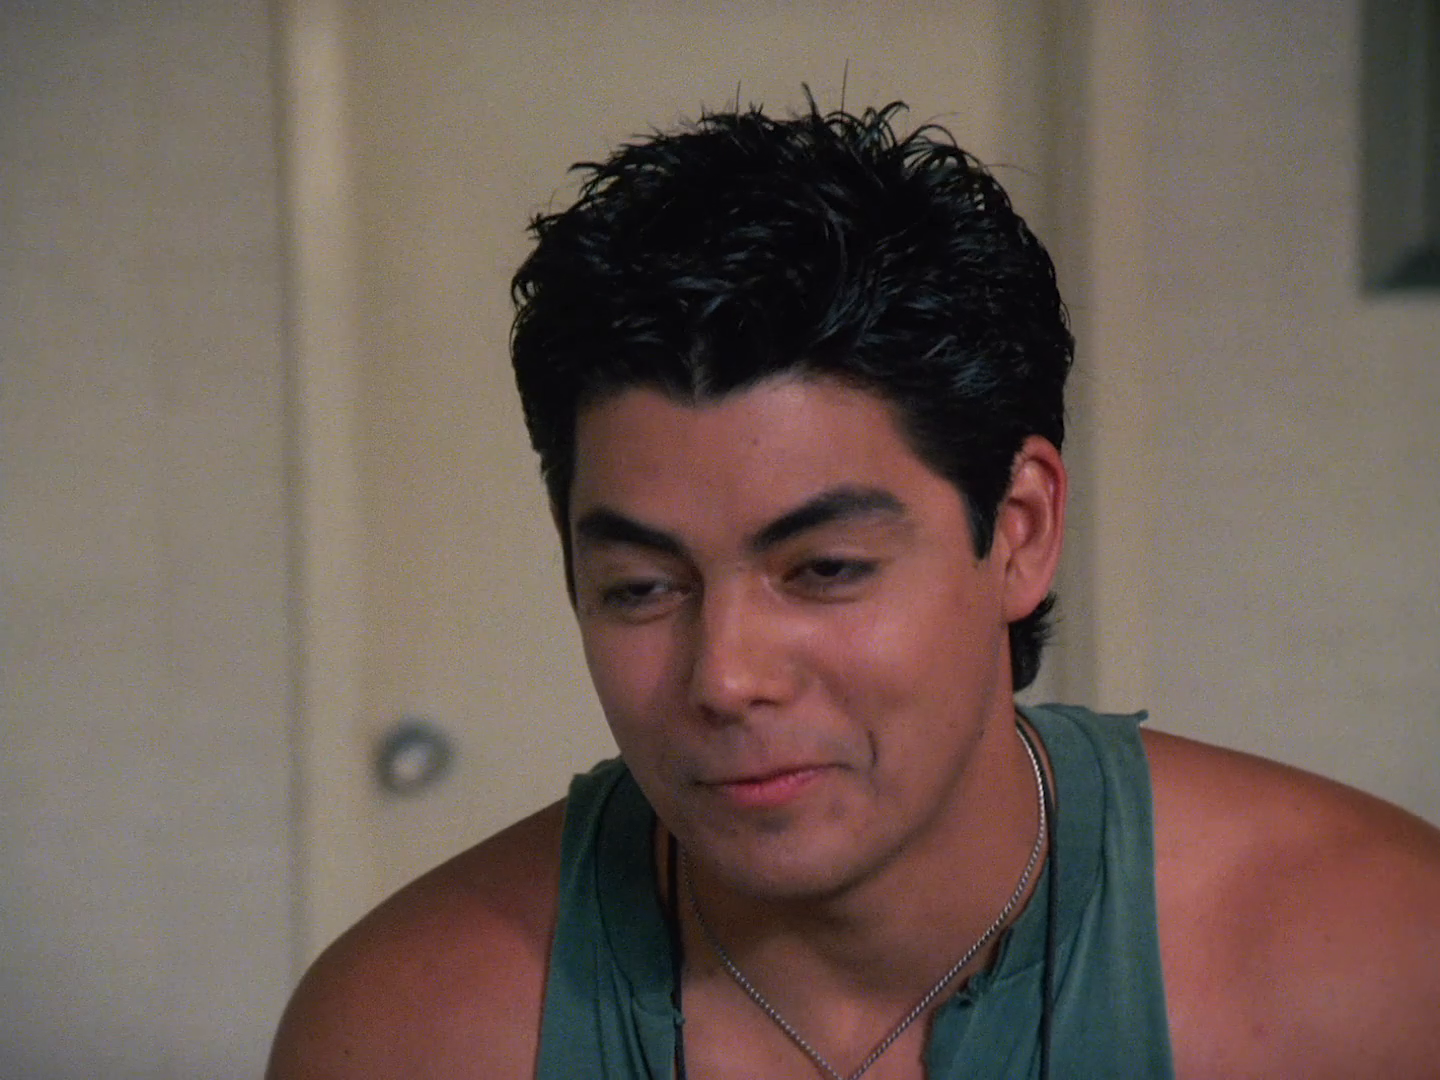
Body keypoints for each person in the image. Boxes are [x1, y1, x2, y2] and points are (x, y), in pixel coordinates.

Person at [267, 102, 1440, 1079]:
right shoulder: (409, 1032)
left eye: (825, 570)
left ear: (1020, 531)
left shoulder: (1363, 970)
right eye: (642, 586)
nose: (726, 677)